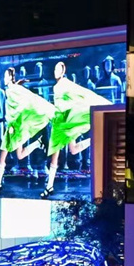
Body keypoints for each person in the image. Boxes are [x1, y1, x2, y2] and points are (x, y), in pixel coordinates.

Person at [39, 61, 110, 198]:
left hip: (66, 122)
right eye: (54, 69)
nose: (55, 72)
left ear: (63, 71)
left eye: (58, 69)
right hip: (61, 123)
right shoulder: (57, 86)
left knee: (71, 150)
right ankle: (49, 187)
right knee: (65, 152)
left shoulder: (66, 85)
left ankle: (49, 186)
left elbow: (78, 96)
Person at [0, 66, 55, 193]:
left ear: (10, 77)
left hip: (14, 128)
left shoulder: (12, 90)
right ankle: (37, 143)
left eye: (5, 76)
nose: (4, 78)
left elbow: (23, 101)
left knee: (7, 155)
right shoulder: (11, 89)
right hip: (12, 127)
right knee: (18, 155)